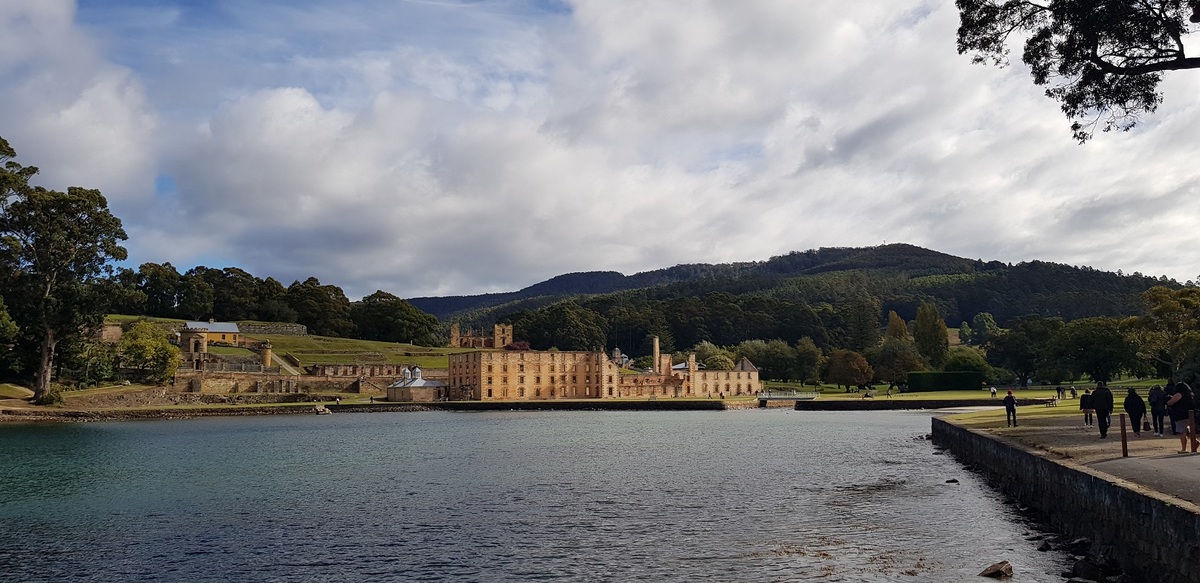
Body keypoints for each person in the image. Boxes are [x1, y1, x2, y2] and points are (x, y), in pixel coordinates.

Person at [1166, 382, 1199, 453]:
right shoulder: (1190, 395)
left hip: (1181, 415)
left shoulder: (1179, 394)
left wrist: (1168, 400)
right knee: (1189, 430)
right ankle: (1195, 442)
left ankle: (1184, 449)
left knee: (1182, 432)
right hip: (1190, 415)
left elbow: (1171, 402)